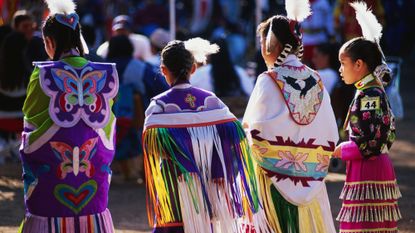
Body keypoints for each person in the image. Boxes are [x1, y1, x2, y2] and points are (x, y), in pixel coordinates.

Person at [18, 0, 119, 232]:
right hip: (92, 173)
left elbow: (30, 123)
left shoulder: (42, 75)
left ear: (50, 42)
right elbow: (108, 124)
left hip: (52, 180)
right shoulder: (105, 74)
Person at [143, 38, 259, 233]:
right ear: (194, 68)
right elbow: (236, 135)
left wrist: (183, 156)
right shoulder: (212, 101)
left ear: (163, 70)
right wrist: (211, 156)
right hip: (209, 184)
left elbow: (152, 147)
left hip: (174, 184)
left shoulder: (159, 105)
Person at [242, 1, 339, 232]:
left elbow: (253, 128)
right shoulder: (316, 79)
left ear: (269, 45)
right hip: (310, 177)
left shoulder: (268, 79)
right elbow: (328, 130)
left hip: (271, 182)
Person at [332, 2, 402, 233]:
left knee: (362, 227)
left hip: (367, 169)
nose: (340, 69)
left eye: (343, 64)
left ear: (359, 64)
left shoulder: (367, 95)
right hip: (375, 167)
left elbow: (369, 143)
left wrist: (340, 149)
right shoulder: (371, 90)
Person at [106, 35, 146, 182]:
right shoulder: (139, 66)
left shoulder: (104, 67)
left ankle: (122, 171)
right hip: (136, 110)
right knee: (136, 139)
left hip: (109, 113)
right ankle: (138, 171)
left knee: (115, 139)